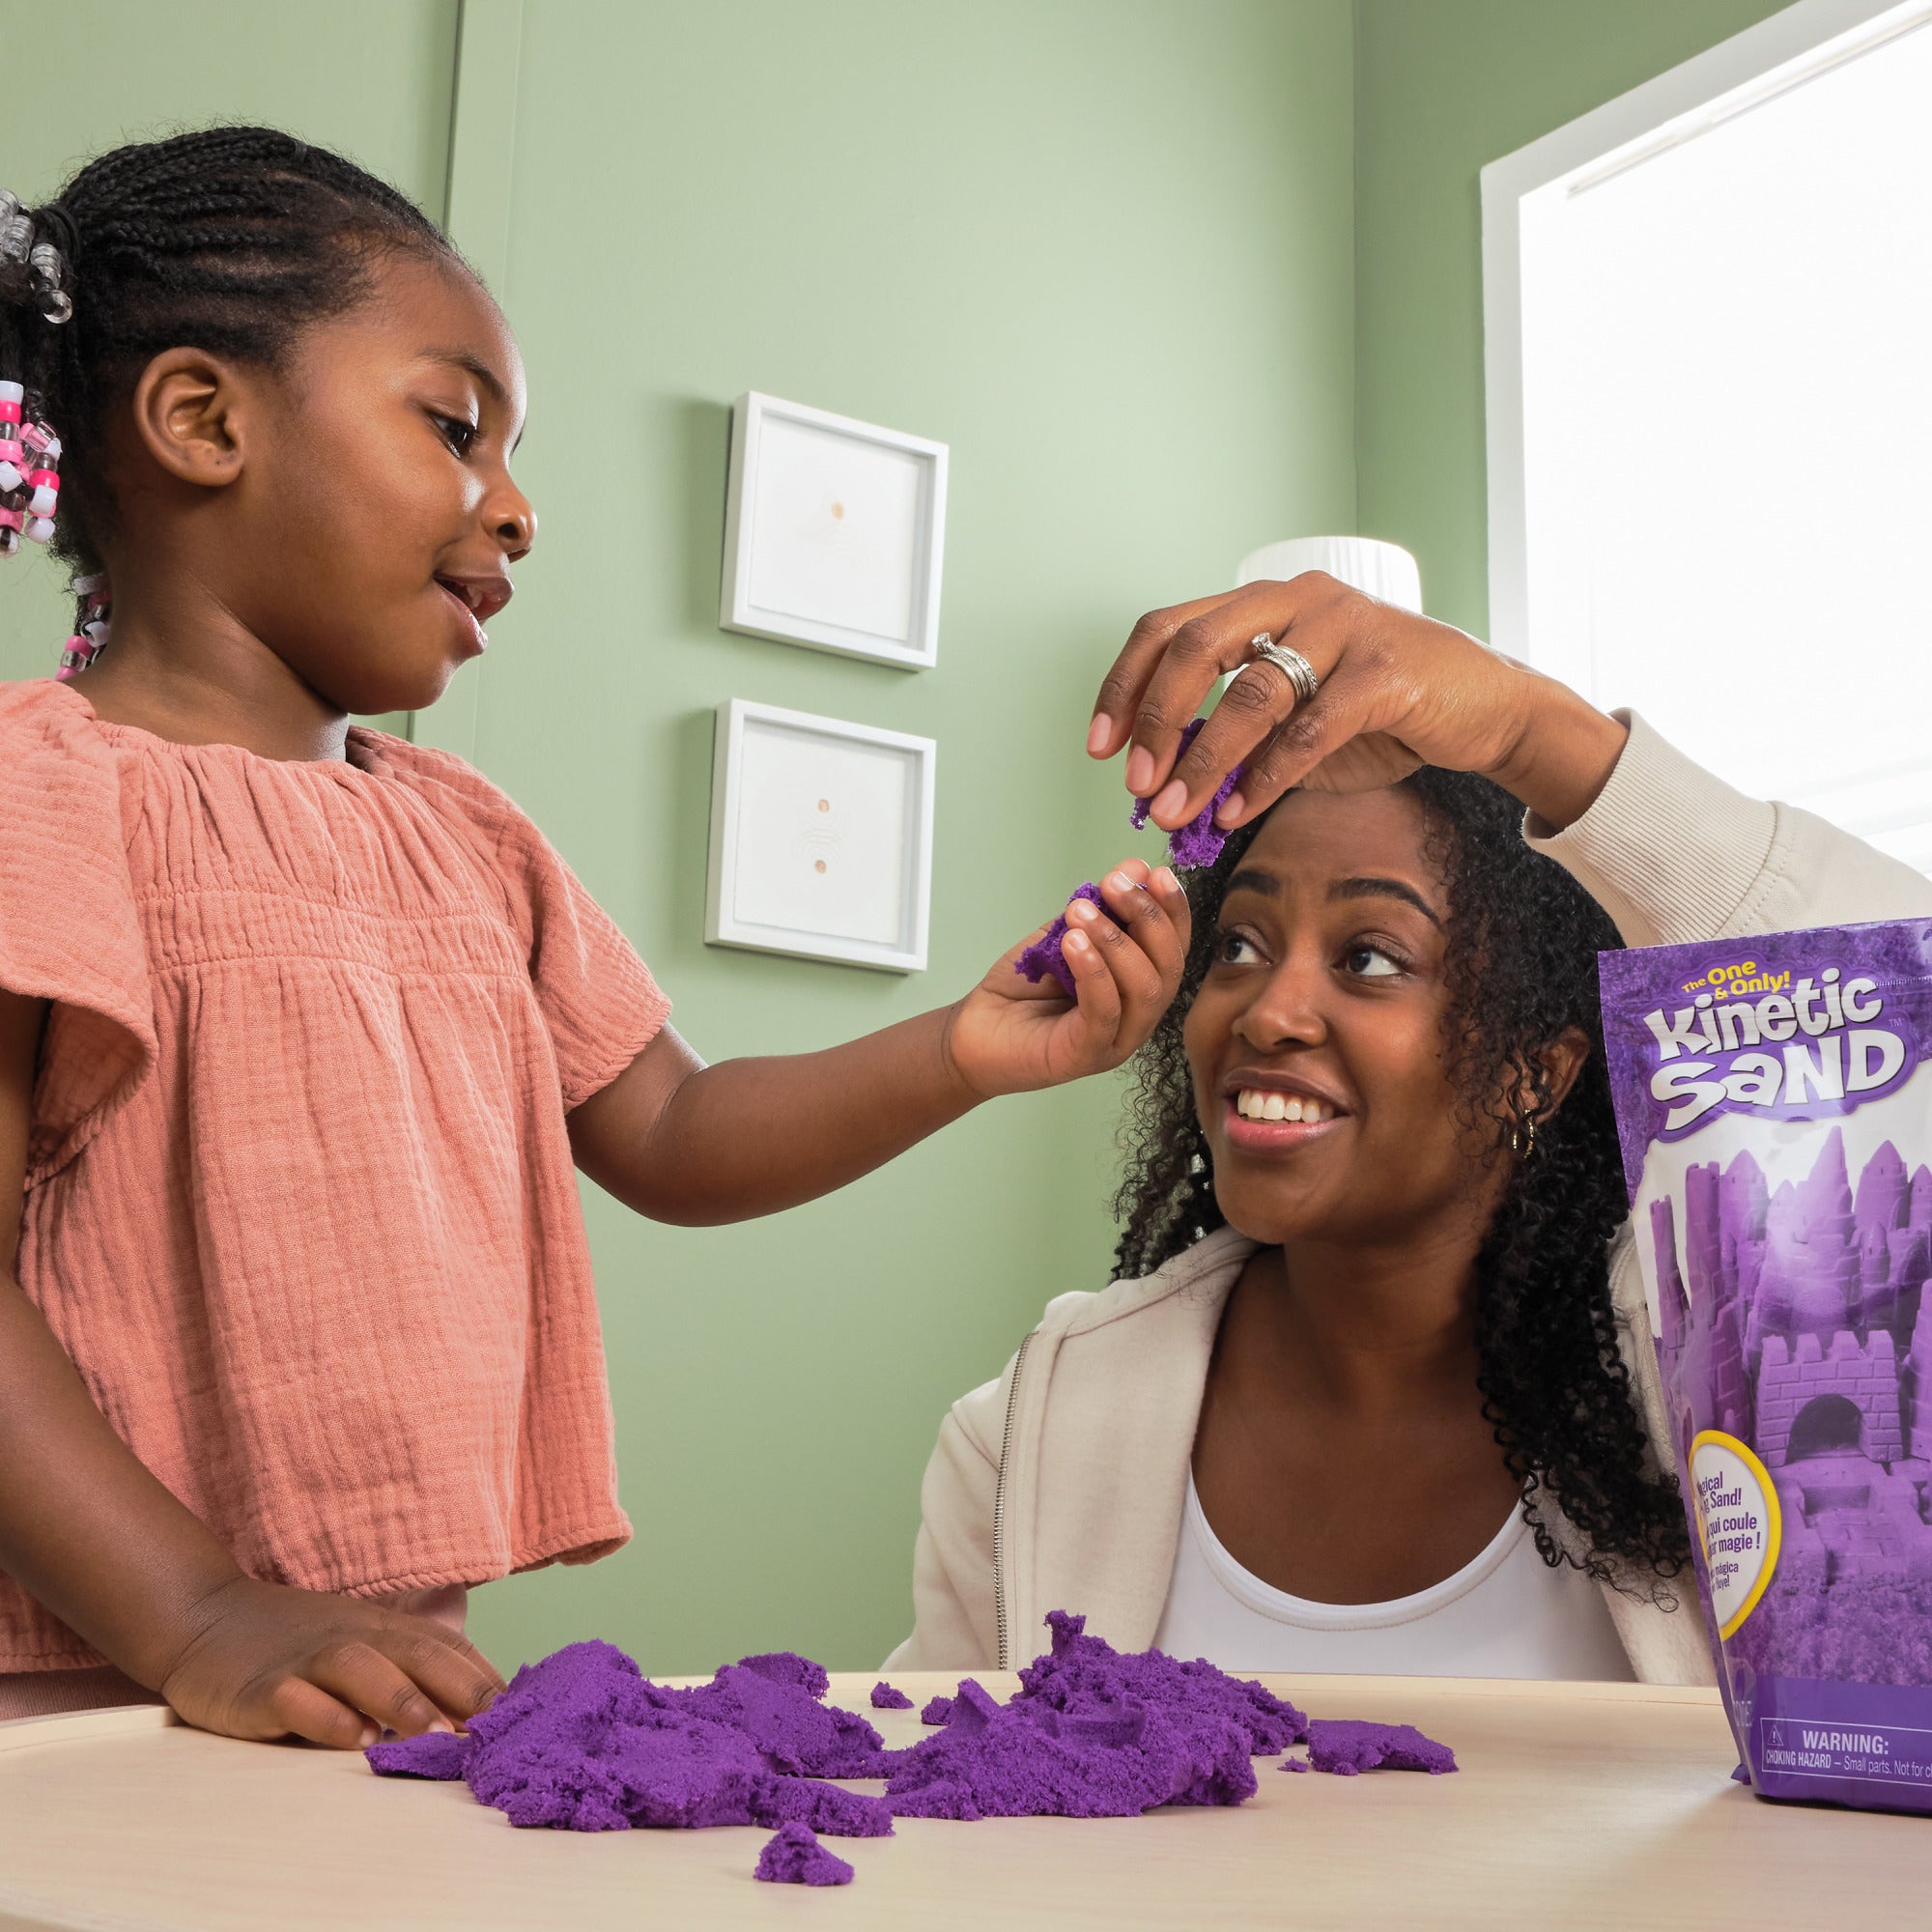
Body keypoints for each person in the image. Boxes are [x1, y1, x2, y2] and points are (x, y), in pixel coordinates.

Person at [0, 128, 1192, 1742]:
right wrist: (196, 1610)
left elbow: (677, 1131)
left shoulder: (474, 842)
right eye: (454, 428)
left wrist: (962, 1052)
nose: (518, 509)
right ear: (203, 420)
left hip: (371, 1664)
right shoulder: (36, 795)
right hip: (74, 1677)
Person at [889, 574, 1932, 1680]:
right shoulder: (1035, 1428)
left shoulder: (1716, 1361)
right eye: (1236, 944)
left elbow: (1886, 1011)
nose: (1269, 1010)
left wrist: (1537, 729)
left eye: (1369, 956)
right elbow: (946, 1820)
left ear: (1537, 1069)